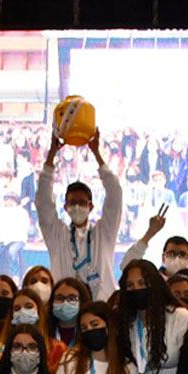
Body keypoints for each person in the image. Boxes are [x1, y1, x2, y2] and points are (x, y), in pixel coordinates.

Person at [37, 128, 125, 298]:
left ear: (91, 206)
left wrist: (96, 153)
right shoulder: (57, 234)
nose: (77, 207)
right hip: (65, 307)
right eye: (72, 203)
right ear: (65, 206)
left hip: (101, 307)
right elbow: (43, 202)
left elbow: (115, 193)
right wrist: (51, 154)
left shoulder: (104, 232)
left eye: (82, 203)